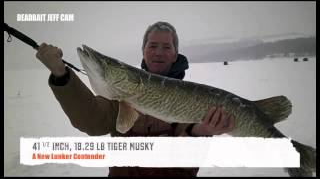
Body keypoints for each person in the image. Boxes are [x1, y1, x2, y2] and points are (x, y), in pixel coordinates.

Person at [36, 21, 235, 177]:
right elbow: (90, 120)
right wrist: (61, 75)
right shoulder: (120, 96)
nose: (158, 52)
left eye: (166, 47)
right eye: (153, 45)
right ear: (143, 50)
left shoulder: (194, 99)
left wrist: (201, 131)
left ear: (175, 54)